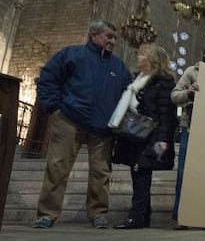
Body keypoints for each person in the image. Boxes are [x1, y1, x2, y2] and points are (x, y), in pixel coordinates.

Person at [32, 20, 131, 229]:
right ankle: (47, 214)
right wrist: (55, 108)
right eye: (108, 36)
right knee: (57, 167)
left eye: (115, 38)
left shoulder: (119, 66)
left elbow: (128, 94)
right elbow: (48, 79)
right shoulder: (71, 54)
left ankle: (98, 214)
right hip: (69, 119)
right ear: (93, 34)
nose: (112, 41)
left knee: (101, 173)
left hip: (103, 127)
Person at [111, 43, 178, 229]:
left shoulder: (164, 82)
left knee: (141, 173)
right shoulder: (138, 80)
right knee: (137, 172)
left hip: (152, 135)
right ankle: (143, 215)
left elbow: (167, 114)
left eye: (142, 55)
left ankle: (136, 217)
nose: (138, 58)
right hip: (134, 135)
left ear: (152, 59)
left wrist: (163, 139)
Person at [171, 40, 205, 229]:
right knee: (185, 174)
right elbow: (174, 96)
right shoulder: (191, 72)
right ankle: (181, 216)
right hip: (192, 129)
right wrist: (188, 93)